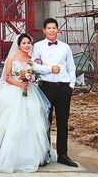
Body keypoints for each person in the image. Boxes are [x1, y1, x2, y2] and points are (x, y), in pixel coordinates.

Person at [0, 33, 51, 172]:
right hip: (14, 92)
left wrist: (30, 79)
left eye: (29, 43)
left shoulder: (33, 60)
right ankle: (8, 155)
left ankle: (32, 156)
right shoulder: (11, 59)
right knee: (12, 122)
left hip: (30, 92)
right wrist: (19, 84)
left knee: (32, 123)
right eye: (24, 43)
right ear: (18, 45)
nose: (27, 45)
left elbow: (37, 74)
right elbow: (6, 77)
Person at [32, 17, 78, 168]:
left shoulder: (65, 47)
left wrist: (71, 84)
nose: (52, 30)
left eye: (54, 28)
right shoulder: (38, 46)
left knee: (63, 122)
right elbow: (34, 66)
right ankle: (45, 154)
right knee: (45, 122)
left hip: (64, 87)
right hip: (46, 87)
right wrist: (49, 68)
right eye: (49, 28)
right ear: (44, 30)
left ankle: (63, 155)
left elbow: (71, 67)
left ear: (58, 30)